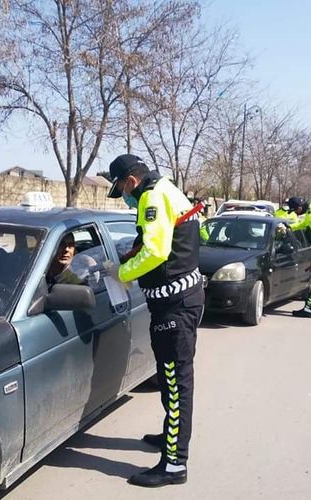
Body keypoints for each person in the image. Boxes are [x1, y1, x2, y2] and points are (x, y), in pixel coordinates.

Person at [105, 153, 204, 487]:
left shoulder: (151, 196)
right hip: (180, 300)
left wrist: (121, 273)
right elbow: (166, 241)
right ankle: (170, 436)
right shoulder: (167, 190)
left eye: (122, 191)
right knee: (169, 377)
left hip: (175, 307)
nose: (126, 200)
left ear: (130, 181)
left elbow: (157, 252)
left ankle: (175, 464)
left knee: (176, 383)